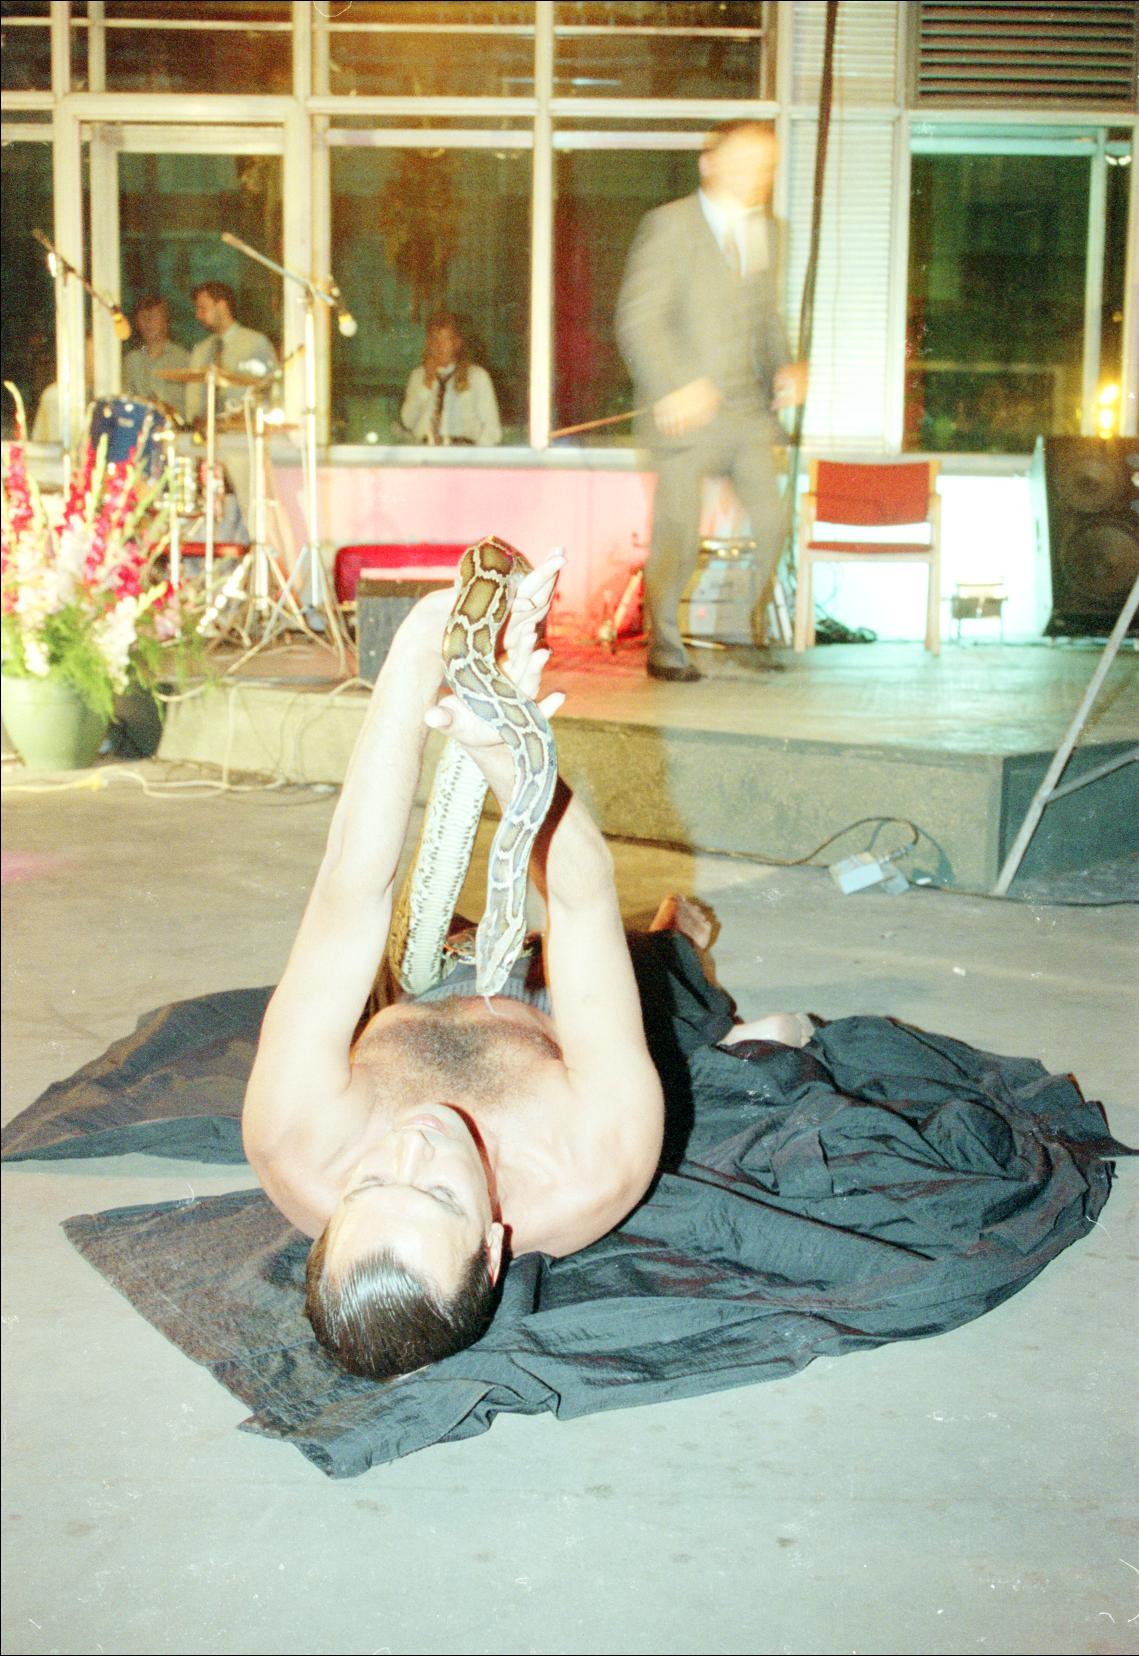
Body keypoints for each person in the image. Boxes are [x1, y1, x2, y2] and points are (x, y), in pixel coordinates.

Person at [242, 552, 807, 1381]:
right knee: (675, 976)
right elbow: (579, 901)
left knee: (430, 928)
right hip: (555, 1019)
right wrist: (510, 752)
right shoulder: (590, 1163)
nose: (412, 1147)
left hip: (431, 980)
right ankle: (676, 950)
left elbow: (351, 891)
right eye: (439, 1194)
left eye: (369, 1186)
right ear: (493, 1246)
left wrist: (420, 649)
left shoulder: (294, 1140)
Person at [615, 120, 808, 683]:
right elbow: (639, 318)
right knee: (678, 534)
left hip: (746, 415)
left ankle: (742, 630)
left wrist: (787, 366)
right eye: (745, 161)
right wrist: (674, 385)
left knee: (772, 523)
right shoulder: (670, 225)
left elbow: (766, 318)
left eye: (766, 165)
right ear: (710, 163)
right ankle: (666, 648)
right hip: (684, 417)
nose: (758, 175)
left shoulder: (769, 231)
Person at [185, 280, 279, 543]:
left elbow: (272, 391)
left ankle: (259, 554)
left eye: (203, 308)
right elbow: (193, 400)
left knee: (251, 511)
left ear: (222, 305)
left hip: (241, 443)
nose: (198, 315)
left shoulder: (255, 343)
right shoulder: (202, 350)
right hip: (208, 446)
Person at [400, 311, 502, 447]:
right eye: (434, 339)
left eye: (445, 339)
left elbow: (492, 431)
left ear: (457, 343)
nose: (438, 346)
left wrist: (475, 455)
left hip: (464, 452)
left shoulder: (477, 377)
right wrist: (427, 383)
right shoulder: (418, 376)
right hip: (426, 452)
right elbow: (407, 421)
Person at [122, 294, 189, 419]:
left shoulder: (184, 359)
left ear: (166, 320)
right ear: (136, 323)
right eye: (143, 317)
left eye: (154, 316)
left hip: (176, 428)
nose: (148, 321)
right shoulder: (131, 361)